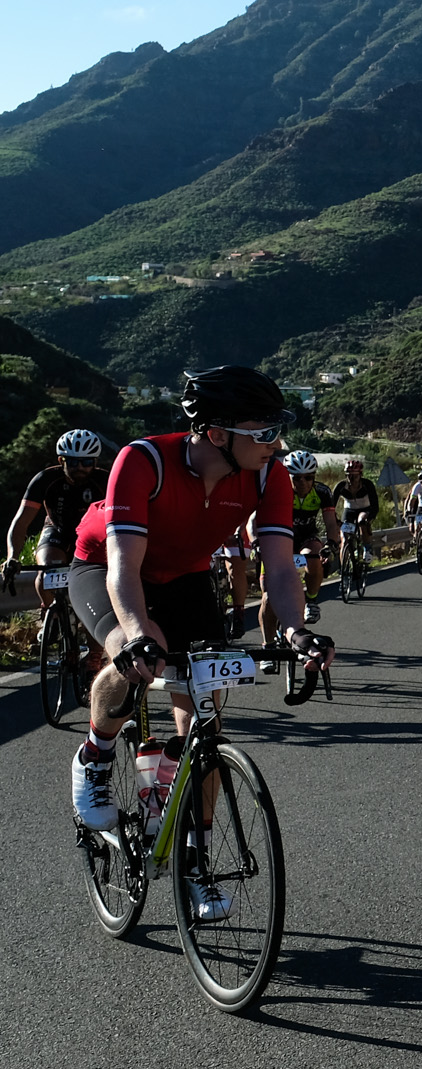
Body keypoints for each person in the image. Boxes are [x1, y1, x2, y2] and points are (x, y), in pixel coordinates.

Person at [65, 367, 330, 906]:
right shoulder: (143, 461)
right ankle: (95, 755)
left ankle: (195, 857)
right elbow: (123, 567)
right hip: (105, 568)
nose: (276, 444)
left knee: (204, 716)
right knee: (139, 652)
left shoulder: (268, 474)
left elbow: (280, 568)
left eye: (278, 430)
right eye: (263, 433)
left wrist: (297, 630)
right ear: (215, 434)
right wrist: (136, 635)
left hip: (185, 576)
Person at [7, 428, 108, 606]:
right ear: (61, 460)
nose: (80, 468)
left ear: (95, 462)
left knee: (96, 583)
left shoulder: (105, 481)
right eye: (73, 462)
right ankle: (50, 613)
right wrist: (13, 557)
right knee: (47, 574)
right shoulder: (45, 479)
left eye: (86, 462)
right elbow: (21, 522)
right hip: (57, 531)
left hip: (92, 538)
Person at [261, 450, 333, 633]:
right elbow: (255, 518)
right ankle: (268, 645)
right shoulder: (276, 490)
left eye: (308, 478)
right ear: (287, 476)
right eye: (297, 478)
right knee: (268, 597)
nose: (303, 483)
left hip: (306, 538)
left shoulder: (322, 492)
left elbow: (331, 523)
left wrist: (332, 544)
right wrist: (255, 543)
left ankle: (311, 600)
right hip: (278, 541)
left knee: (314, 555)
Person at [330, 458, 382, 583]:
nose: (351, 478)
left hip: (365, 510)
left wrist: (370, 519)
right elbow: (330, 507)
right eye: (348, 475)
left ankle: (367, 548)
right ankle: (344, 569)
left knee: (361, 521)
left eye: (354, 476)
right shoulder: (341, 486)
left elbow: (375, 506)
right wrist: (336, 520)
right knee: (344, 539)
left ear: (360, 475)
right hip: (349, 511)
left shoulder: (367, 484)